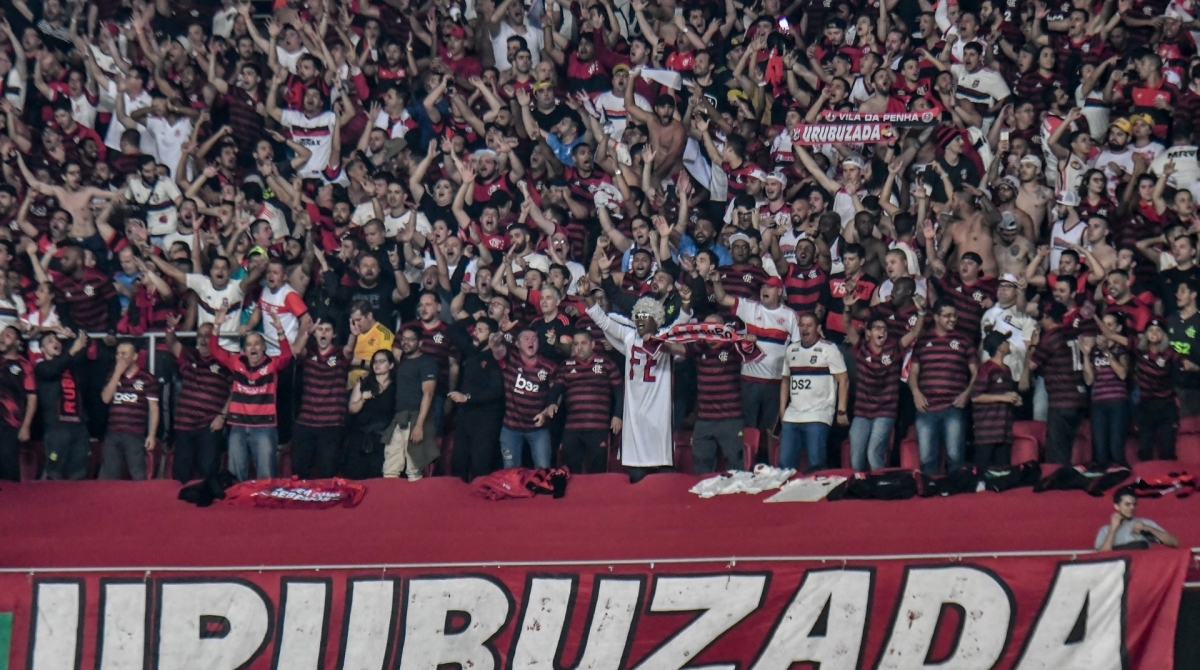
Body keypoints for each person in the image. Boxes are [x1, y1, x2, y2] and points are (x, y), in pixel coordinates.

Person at [583, 286, 679, 483]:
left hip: (659, 412)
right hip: (635, 415)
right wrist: (586, 297)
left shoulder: (665, 338)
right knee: (636, 477)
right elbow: (603, 321)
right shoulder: (629, 336)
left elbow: (682, 323)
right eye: (638, 314)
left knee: (664, 477)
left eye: (646, 315)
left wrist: (685, 304)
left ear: (656, 318)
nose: (640, 318)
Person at [206, 308, 293, 481]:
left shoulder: (272, 364)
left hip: (264, 427)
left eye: (257, 344)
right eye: (249, 344)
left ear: (264, 348)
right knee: (235, 475)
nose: (253, 347)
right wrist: (217, 325)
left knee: (266, 476)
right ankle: (238, 506)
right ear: (244, 349)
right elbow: (214, 350)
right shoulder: (237, 361)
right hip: (238, 426)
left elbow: (287, 355)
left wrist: (280, 331)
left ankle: (266, 506)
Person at [843, 287, 924, 471]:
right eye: (877, 328)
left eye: (884, 329)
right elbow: (848, 326)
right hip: (862, 412)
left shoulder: (894, 348)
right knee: (856, 455)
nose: (882, 332)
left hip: (885, 411)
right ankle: (858, 490)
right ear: (868, 332)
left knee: (873, 453)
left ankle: (879, 487)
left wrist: (921, 312)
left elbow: (915, 333)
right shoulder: (861, 347)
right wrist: (847, 309)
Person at [909, 299, 978, 474]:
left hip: (953, 407)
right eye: (947, 316)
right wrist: (916, 393)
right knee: (927, 459)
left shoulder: (964, 340)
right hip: (926, 408)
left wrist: (966, 394)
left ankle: (956, 496)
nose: (952, 319)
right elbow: (913, 373)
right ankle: (929, 494)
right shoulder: (923, 340)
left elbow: (976, 373)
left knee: (955, 457)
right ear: (936, 317)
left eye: (954, 315)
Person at [779, 312, 849, 471]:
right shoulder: (791, 349)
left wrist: (841, 410)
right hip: (793, 415)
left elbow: (843, 379)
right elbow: (785, 380)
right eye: (802, 325)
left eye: (809, 325)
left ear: (818, 328)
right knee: (783, 466)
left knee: (816, 465)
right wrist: (782, 410)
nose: (805, 329)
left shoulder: (828, 349)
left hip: (818, 414)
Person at [165, 320, 232, 483]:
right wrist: (171, 327)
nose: (203, 340)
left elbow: (235, 390)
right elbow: (172, 343)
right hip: (184, 425)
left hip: (209, 426)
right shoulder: (190, 355)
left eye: (208, 336)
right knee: (181, 476)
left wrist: (222, 416)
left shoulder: (225, 361)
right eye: (200, 336)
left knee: (209, 474)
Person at [291, 319, 353, 479]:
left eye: (327, 329)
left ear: (334, 334)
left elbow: (350, 350)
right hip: (305, 423)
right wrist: (307, 333)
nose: (323, 332)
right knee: (298, 473)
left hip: (331, 425)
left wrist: (354, 335)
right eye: (320, 329)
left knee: (327, 473)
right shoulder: (309, 352)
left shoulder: (340, 353)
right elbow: (297, 351)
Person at [554, 330, 622, 474]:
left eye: (583, 343)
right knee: (570, 471)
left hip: (598, 427)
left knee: (598, 470)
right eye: (576, 344)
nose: (580, 347)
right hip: (573, 427)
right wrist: (552, 402)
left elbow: (620, 391)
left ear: (592, 344)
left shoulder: (607, 363)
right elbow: (556, 388)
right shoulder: (566, 365)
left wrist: (618, 415)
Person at [446, 316, 505, 481]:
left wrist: (468, 398)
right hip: (465, 416)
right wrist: (473, 317)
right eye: (475, 329)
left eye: (480, 330)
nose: (475, 333)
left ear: (492, 335)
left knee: (480, 465)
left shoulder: (496, 358)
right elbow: (452, 330)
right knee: (458, 463)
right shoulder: (471, 351)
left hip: (486, 418)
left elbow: (496, 391)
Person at [383, 326, 439, 480]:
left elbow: (428, 393)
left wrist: (419, 425)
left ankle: (414, 503)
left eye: (410, 339)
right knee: (390, 468)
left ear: (420, 343)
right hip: (399, 418)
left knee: (414, 470)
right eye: (404, 339)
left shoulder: (427, 362)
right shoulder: (401, 362)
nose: (406, 342)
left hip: (416, 418)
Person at [99, 341, 160, 480]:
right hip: (113, 433)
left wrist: (151, 435)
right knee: (109, 477)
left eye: (124, 354)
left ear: (135, 356)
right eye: (118, 353)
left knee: (138, 476)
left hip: (135, 434)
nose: (120, 357)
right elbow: (105, 399)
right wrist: (117, 374)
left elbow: (154, 409)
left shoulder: (147, 378)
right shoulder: (112, 375)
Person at [972, 331, 1021, 468]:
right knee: (983, 472)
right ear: (999, 347)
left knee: (1002, 472)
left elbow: (1006, 395)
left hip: (1004, 431)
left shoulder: (1007, 369)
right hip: (987, 431)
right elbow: (976, 397)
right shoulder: (986, 368)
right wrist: (1003, 397)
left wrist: (1014, 399)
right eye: (1006, 341)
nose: (1009, 344)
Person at [345, 350, 397, 479]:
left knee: (376, 479)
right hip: (360, 436)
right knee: (355, 476)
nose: (377, 365)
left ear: (391, 365)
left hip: (382, 439)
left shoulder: (396, 386)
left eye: (382, 361)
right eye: (375, 362)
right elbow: (352, 409)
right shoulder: (363, 382)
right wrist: (363, 399)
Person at [0, 326, 36, 481]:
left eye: (7, 335)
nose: (2, 337)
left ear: (17, 342)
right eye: (1, 334)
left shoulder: (24, 366)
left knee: (8, 470)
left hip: (10, 424)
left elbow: (32, 397)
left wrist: (26, 426)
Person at [1095, 487, 1179, 550]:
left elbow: (1174, 542)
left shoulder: (1144, 523)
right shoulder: (1105, 530)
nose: (1132, 508)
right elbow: (1102, 557)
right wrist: (1113, 529)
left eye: (1134, 504)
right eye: (1127, 504)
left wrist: (1149, 529)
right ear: (1117, 506)